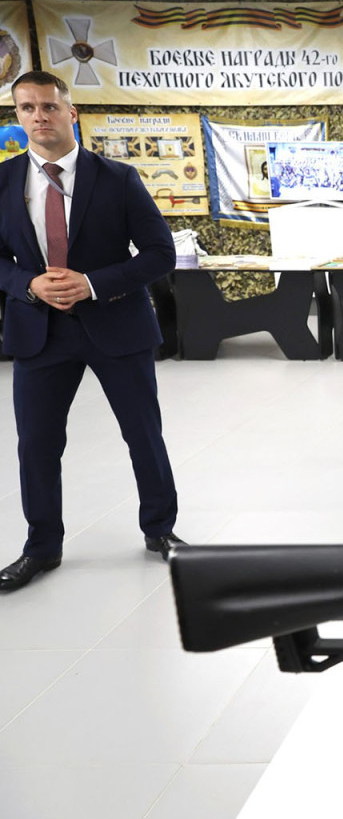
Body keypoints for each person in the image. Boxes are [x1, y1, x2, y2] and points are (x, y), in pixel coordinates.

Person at [0, 71, 183, 591]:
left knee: (142, 434)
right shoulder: (4, 182)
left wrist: (91, 283)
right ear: (18, 116)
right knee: (36, 444)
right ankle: (41, 547)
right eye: (28, 108)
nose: (40, 117)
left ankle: (161, 531)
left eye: (50, 107)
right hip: (39, 332)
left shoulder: (118, 178)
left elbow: (159, 254)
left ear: (71, 111)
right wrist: (29, 282)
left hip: (116, 325)